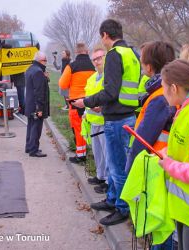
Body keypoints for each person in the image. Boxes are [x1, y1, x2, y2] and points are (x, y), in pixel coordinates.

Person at [73, 19, 140, 225]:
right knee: (116, 165)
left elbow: (110, 91)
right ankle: (112, 199)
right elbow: (124, 89)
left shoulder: (114, 55)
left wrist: (85, 101)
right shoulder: (132, 54)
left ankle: (121, 208)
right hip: (127, 115)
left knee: (117, 167)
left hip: (116, 120)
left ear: (105, 36)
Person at [159, 59, 189, 250]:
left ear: (173, 88)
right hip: (184, 210)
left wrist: (168, 164)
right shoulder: (184, 109)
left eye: (163, 88)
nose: (162, 93)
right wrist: (168, 155)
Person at [125, 41, 176, 173]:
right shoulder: (171, 91)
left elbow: (144, 139)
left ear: (149, 67)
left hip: (155, 163)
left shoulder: (160, 97)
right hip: (163, 160)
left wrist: (131, 168)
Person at [59, 43, 95, 164]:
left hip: (75, 102)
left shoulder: (72, 66)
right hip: (92, 101)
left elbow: (62, 84)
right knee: (93, 128)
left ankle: (81, 155)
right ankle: (94, 152)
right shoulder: (93, 65)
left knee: (79, 129)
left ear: (76, 52)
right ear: (87, 51)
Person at [83, 47, 108, 191]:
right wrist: (86, 110)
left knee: (107, 154)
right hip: (93, 121)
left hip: (104, 121)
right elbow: (88, 96)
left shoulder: (108, 77)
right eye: (94, 59)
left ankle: (107, 181)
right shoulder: (92, 78)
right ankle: (100, 175)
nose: (97, 62)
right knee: (97, 152)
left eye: (99, 58)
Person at [25, 51, 50, 157]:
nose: (46, 63)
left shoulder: (30, 68)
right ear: (40, 60)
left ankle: (29, 147)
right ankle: (34, 150)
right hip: (36, 105)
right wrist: (39, 108)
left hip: (30, 104)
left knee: (31, 126)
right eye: (45, 60)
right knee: (36, 127)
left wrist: (45, 78)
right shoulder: (38, 71)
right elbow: (39, 91)